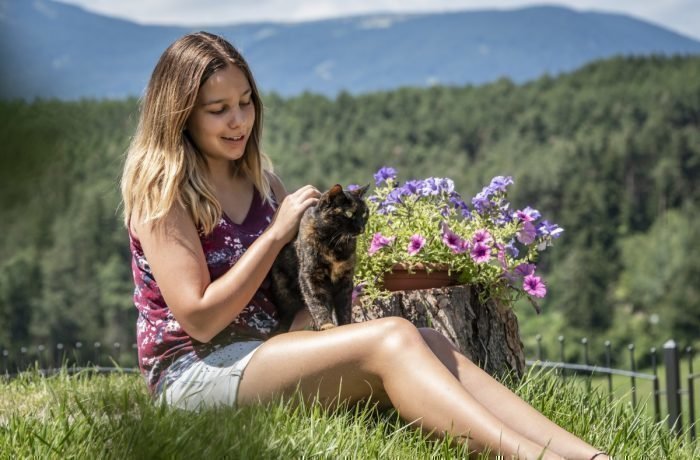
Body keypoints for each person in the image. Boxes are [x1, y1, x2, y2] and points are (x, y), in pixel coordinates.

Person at [120, 31, 610, 460]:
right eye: (218, 110)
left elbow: (296, 279)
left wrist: (305, 319)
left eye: (246, 102)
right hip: (194, 374)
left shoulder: (261, 181)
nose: (238, 121)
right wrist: (274, 234)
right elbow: (199, 318)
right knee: (392, 337)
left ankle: (588, 456)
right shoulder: (162, 193)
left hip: (267, 352)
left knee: (429, 340)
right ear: (181, 114)